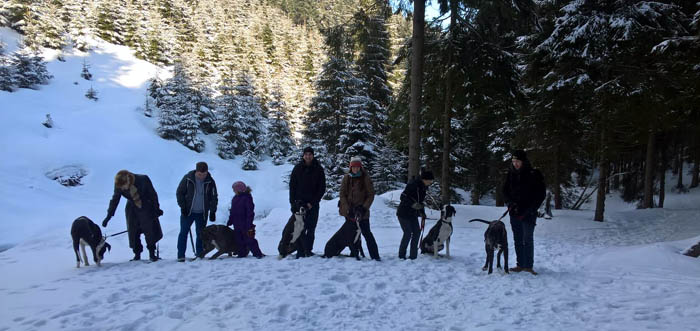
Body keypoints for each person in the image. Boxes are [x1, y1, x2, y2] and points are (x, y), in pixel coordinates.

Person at [102, 170, 163, 262]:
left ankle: (151, 253)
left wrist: (156, 209)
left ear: (128, 180)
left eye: (124, 186)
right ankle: (137, 254)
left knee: (149, 230)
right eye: (121, 187)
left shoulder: (143, 179)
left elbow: (153, 195)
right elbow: (115, 200)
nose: (123, 189)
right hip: (131, 208)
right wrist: (108, 216)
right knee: (133, 231)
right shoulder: (119, 184)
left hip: (145, 205)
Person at [502, 150, 546, 275]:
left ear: (523, 161)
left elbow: (541, 194)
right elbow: (504, 191)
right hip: (514, 212)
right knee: (517, 239)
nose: (515, 164)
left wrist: (532, 209)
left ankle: (528, 266)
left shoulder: (534, 174)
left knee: (527, 238)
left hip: (528, 213)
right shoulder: (510, 174)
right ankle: (520, 264)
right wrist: (510, 203)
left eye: (518, 161)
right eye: (513, 161)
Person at [338, 156, 380, 261]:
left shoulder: (365, 178)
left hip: (362, 212)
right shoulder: (347, 178)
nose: (355, 169)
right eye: (353, 167)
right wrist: (346, 207)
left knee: (367, 233)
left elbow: (371, 194)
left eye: (357, 167)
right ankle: (355, 253)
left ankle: (375, 256)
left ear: (360, 167)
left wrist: (364, 207)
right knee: (352, 234)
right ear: (350, 167)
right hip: (350, 212)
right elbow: (342, 194)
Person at [176, 161, 218, 262]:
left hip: (202, 213)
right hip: (188, 212)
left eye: (204, 174)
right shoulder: (188, 179)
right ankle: (181, 255)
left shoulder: (210, 181)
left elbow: (214, 197)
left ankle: (200, 253)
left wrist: (212, 211)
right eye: (200, 174)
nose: (202, 176)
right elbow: (179, 193)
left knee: (201, 234)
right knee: (183, 233)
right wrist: (183, 207)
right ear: (196, 171)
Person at [289, 146, 326, 257]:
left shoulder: (318, 169)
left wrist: (313, 202)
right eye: (306, 154)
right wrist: (292, 203)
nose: (308, 156)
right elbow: (292, 186)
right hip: (299, 204)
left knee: (311, 229)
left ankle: (308, 250)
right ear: (303, 156)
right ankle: (300, 251)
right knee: (299, 229)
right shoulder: (297, 168)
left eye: (310, 154)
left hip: (312, 205)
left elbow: (322, 188)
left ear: (313, 156)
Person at [396, 170, 434, 260]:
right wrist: (412, 204)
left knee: (417, 233)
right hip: (403, 213)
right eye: (430, 180)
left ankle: (413, 256)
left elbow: (420, 202)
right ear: (424, 179)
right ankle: (401, 255)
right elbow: (403, 197)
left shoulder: (423, 187)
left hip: (413, 214)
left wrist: (422, 213)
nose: (431, 182)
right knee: (408, 233)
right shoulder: (413, 185)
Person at [227, 181, 264, 258]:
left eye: (234, 189)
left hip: (245, 223)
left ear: (239, 189)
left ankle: (257, 253)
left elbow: (250, 212)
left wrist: (249, 223)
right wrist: (230, 220)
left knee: (249, 239)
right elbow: (232, 211)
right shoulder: (235, 198)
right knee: (239, 239)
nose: (234, 191)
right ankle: (242, 253)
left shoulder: (247, 198)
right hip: (236, 223)